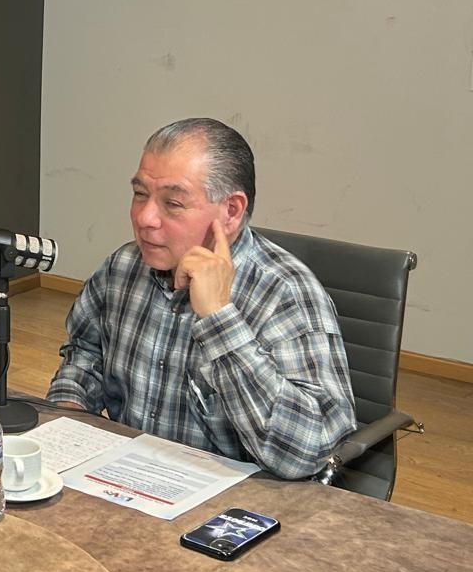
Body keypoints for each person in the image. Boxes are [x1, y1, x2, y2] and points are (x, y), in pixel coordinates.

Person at [45, 119, 356, 479]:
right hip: (128, 482)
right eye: (140, 194)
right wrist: (66, 415)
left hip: (233, 505)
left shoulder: (285, 293)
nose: (145, 218)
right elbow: (85, 355)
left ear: (231, 212)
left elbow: (309, 453)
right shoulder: (123, 267)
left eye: (173, 203)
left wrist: (219, 318)